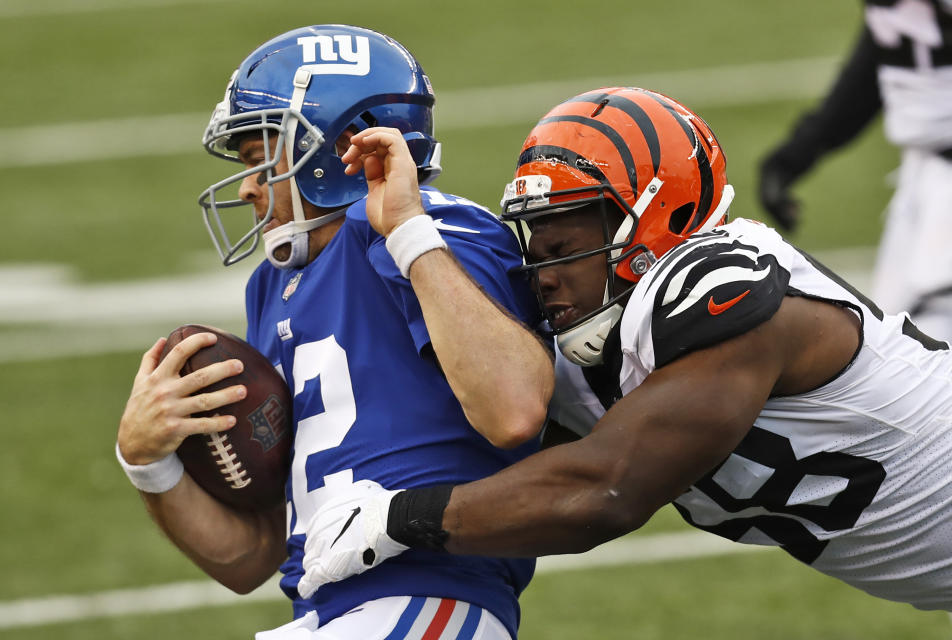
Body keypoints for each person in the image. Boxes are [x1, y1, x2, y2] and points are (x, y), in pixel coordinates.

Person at [297, 86, 952, 613]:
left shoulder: (722, 286)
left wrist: (398, 517)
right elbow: (484, 431)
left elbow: (603, 491)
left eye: (561, 248)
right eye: (534, 249)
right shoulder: (603, 343)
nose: (543, 274)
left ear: (656, 219)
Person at [115, 24, 554, 639]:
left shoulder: (438, 228)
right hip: (321, 614)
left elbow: (514, 408)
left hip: (430, 595)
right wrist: (146, 461)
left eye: (257, 159)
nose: (245, 187)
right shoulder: (272, 287)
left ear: (332, 148)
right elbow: (253, 557)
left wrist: (406, 231)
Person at [758, 0, 952, 340]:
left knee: (934, 329)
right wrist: (798, 153)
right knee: (895, 332)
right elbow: (887, 48)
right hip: (924, 171)